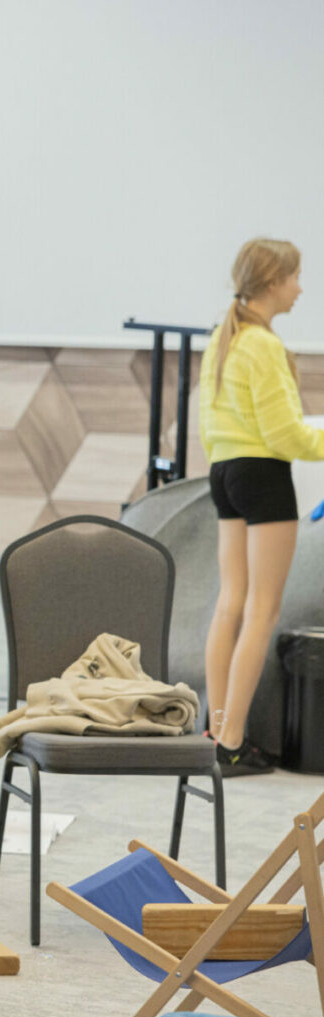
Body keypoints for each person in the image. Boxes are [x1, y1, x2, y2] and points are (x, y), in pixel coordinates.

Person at [200, 238, 319, 777]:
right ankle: (232, 743)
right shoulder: (264, 345)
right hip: (263, 476)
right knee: (262, 610)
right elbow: (285, 435)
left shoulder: (223, 338)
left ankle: (216, 732)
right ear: (272, 283)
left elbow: (212, 425)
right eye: (295, 277)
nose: (300, 288)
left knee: (231, 601)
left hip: (224, 472)